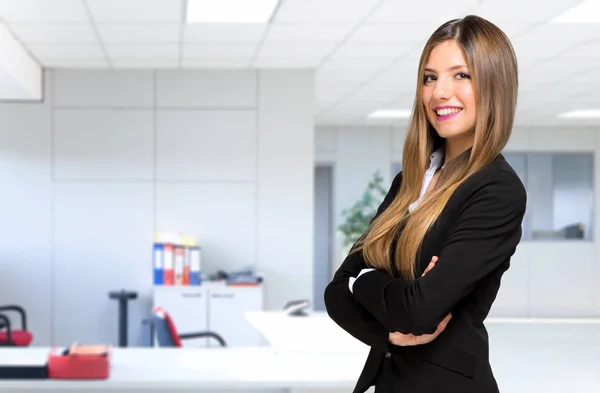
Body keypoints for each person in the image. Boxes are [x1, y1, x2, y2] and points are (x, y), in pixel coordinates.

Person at [323, 15, 527, 393]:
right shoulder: (410, 181)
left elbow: (419, 311)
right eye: (430, 77)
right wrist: (389, 333)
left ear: (494, 84)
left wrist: (367, 279)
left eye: (461, 75)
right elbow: (336, 291)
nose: (439, 92)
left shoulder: (497, 190)